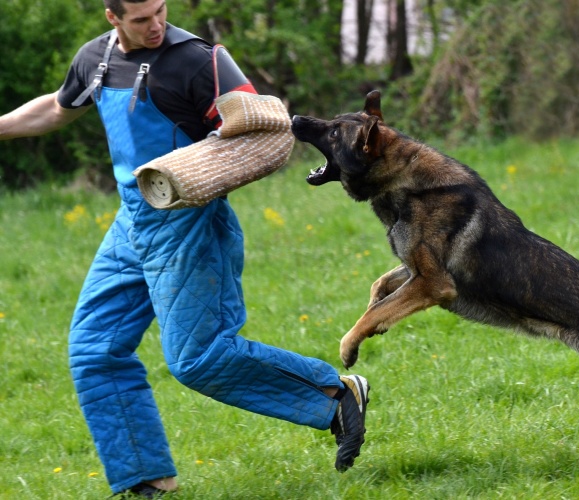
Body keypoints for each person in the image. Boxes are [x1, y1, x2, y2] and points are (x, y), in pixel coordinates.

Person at [0, 0, 371, 497]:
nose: (156, 25)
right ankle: (147, 480)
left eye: (160, 10)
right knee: (94, 351)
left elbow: (260, 126)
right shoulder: (95, 59)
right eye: (140, 18)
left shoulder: (200, 60)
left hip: (188, 220)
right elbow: (57, 107)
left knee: (197, 357)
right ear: (113, 17)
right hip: (131, 221)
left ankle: (334, 393)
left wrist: (233, 125)